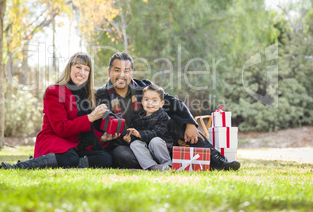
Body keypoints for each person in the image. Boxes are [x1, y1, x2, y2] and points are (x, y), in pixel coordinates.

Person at [95, 52, 240, 171]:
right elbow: (93, 128)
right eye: (117, 70)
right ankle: (159, 165)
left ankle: (217, 160)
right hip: (129, 145)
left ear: (131, 72)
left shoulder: (143, 86)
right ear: (109, 71)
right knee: (120, 154)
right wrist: (103, 138)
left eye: (126, 70)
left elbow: (173, 102)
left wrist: (190, 124)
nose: (122, 75)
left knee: (176, 124)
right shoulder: (99, 95)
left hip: (156, 138)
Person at [0, 52, 117, 169]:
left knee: (105, 158)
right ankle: (21, 166)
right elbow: (61, 128)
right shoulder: (55, 91)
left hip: (75, 147)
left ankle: (65, 163)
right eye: (78, 67)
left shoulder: (89, 96)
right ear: (69, 69)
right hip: (56, 142)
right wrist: (91, 117)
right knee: (70, 157)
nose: (82, 73)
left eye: (86, 69)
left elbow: (86, 131)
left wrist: (102, 138)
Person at [123, 84, 173, 171]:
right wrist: (130, 138)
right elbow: (135, 134)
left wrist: (139, 134)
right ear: (142, 102)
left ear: (161, 104)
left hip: (159, 148)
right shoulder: (137, 116)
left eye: (154, 100)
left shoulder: (162, 116)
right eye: (146, 100)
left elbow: (158, 132)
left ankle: (167, 165)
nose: (150, 103)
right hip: (145, 151)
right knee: (135, 144)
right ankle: (152, 166)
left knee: (155, 141)